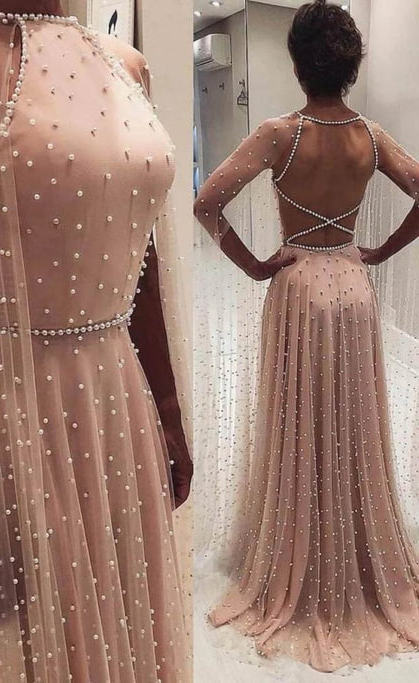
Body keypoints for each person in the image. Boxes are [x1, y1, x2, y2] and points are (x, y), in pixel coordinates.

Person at [0, 1, 192, 680]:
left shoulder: (127, 66)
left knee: (125, 625)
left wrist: (169, 412)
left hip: (120, 402)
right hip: (15, 412)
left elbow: (145, 259)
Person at [194, 0, 419, 672]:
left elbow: (206, 202)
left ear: (298, 65)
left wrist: (254, 265)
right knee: (350, 422)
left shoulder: (278, 134)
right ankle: (352, 544)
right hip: (352, 288)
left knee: (300, 419)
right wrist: (379, 251)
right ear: (352, 67)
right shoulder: (371, 137)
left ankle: (297, 543)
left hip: (295, 288)